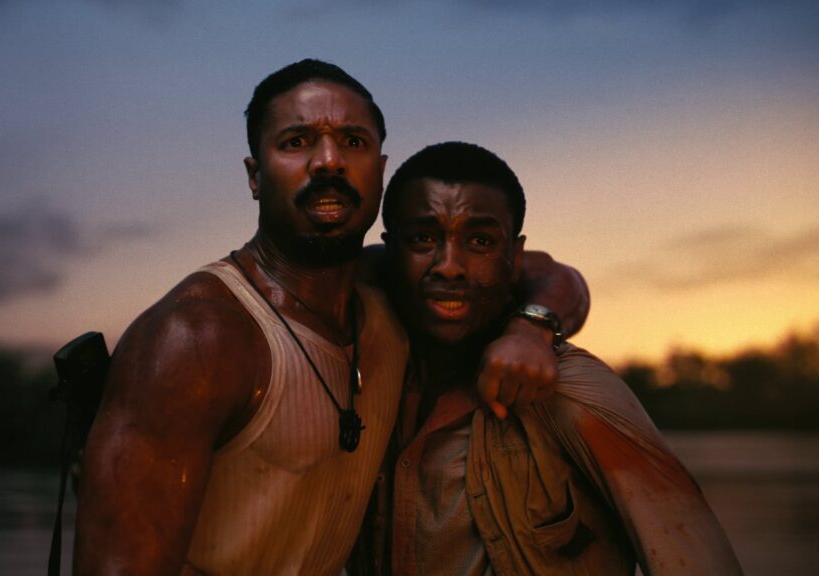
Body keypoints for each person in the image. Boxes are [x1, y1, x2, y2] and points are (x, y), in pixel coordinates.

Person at [73, 61, 588, 575]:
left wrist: (531, 329)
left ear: (380, 173)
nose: (328, 162)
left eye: (353, 142)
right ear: (255, 175)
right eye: (297, 142)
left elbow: (547, 273)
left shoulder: (388, 289)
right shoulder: (195, 339)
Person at [369, 141, 743, 575]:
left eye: (480, 241)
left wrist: (532, 328)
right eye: (422, 238)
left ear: (514, 259)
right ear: (390, 251)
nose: (449, 265)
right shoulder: (364, 382)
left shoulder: (571, 389)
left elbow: (695, 559)